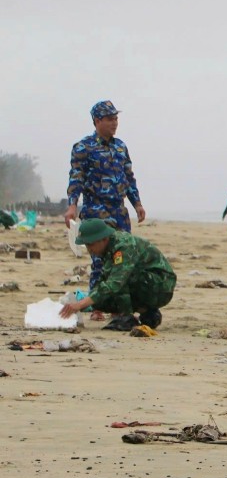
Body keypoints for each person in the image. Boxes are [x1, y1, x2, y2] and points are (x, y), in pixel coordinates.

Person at [64, 100, 146, 319]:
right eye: (110, 119)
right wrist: (72, 204)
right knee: (100, 259)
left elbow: (129, 177)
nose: (114, 123)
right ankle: (98, 306)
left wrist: (136, 203)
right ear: (97, 120)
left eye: (116, 118)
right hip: (95, 211)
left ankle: (120, 305)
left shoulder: (120, 146)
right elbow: (76, 177)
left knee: (123, 256)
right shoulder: (83, 147)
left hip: (119, 211)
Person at [59, 218, 175, 331]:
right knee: (99, 299)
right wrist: (87, 302)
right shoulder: (107, 248)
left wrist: (80, 304)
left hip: (161, 286)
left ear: (103, 239)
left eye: (91, 244)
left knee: (120, 279)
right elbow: (102, 282)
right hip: (146, 285)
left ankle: (126, 317)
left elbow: (116, 282)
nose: (89, 250)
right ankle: (148, 313)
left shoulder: (123, 246)